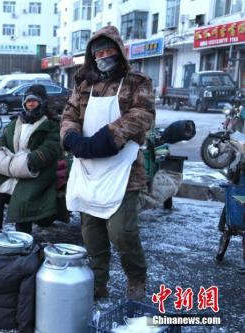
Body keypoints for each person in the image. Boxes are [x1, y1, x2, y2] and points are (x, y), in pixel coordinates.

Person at [61, 26, 155, 301]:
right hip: (89, 167)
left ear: (119, 50)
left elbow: (143, 113)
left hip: (123, 169)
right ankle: (98, 282)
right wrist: (72, 139)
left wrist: (110, 137)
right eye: (97, 52)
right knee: (91, 231)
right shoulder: (83, 83)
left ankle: (136, 278)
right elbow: (69, 115)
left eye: (108, 50)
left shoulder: (137, 81)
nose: (103, 56)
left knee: (121, 231)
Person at [0, 84, 61, 235]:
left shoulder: (51, 125)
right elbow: (1, 140)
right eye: (27, 100)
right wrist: (0, 154)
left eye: (35, 101)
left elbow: (52, 147)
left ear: (42, 102)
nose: (30, 103)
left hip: (35, 173)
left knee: (21, 203)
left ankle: (22, 240)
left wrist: (30, 162)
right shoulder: (15, 123)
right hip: (11, 170)